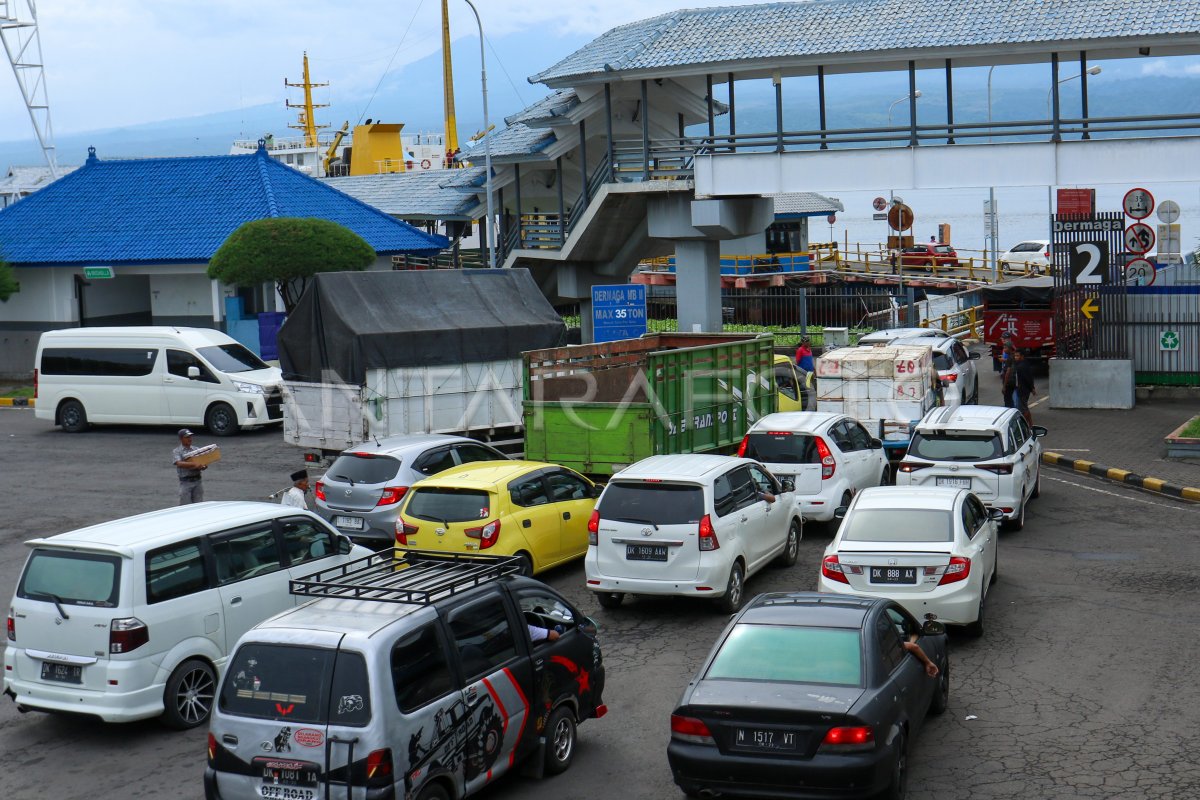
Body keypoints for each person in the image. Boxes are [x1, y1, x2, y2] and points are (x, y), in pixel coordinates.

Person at [172, 428, 207, 505]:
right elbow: (179, 463)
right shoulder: (177, 451)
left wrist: (203, 466)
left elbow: (204, 463)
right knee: (185, 507)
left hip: (198, 481)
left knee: (199, 506)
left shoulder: (196, 449)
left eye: (190, 437)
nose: (190, 439)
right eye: (187, 437)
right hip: (185, 483)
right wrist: (194, 464)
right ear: (181, 439)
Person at [1012, 350, 1036, 425]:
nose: (1016, 357)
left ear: (1022, 356)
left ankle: (1024, 425)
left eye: (1017, 356)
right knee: (1025, 408)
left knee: (1023, 409)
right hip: (1025, 390)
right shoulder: (1025, 364)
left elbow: (1027, 379)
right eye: (1015, 356)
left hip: (1022, 390)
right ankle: (1030, 424)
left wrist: (1032, 388)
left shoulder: (1021, 367)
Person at [999, 341, 1017, 408]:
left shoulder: (1010, 357)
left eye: (1005, 348)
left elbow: (1008, 373)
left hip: (1009, 382)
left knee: (1007, 399)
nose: (1004, 349)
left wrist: (1004, 386)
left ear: (1010, 348)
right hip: (1014, 381)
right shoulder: (1014, 356)